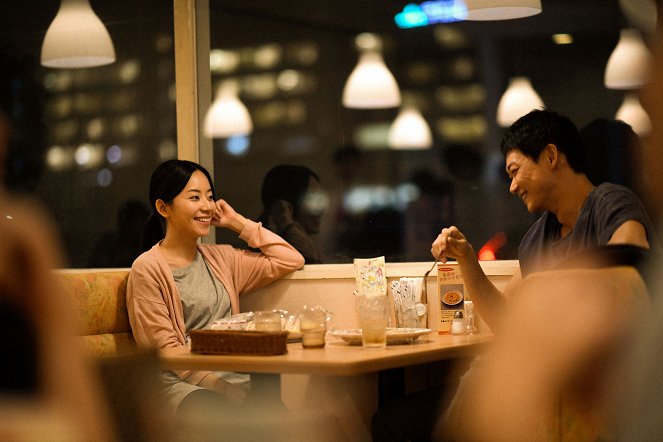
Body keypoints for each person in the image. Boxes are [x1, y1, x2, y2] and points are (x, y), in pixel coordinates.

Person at [431, 109, 657, 332]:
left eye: (515, 171)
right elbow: (504, 319)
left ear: (550, 156)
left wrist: (542, 289)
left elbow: (631, 277)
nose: (513, 187)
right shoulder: (536, 238)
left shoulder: (611, 204)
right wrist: (466, 257)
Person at [126, 159, 304, 417]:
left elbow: (290, 259)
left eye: (210, 197)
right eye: (195, 197)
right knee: (234, 417)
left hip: (232, 376)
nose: (207, 206)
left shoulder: (221, 258)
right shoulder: (147, 269)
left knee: (277, 408)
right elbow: (166, 353)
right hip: (183, 387)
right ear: (164, 208)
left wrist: (237, 222)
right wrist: (223, 389)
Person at [257, 164, 326, 264]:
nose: (320, 209)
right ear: (285, 204)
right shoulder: (264, 243)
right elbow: (312, 261)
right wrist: (287, 224)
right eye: (311, 199)